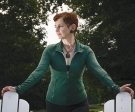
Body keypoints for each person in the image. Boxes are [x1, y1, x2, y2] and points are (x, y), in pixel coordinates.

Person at [1, 12, 134, 112]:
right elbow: (38, 72)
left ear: (72, 27)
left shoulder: (86, 51)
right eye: (55, 26)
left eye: (60, 26)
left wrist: (116, 88)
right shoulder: (50, 51)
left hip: (79, 103)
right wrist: (18, 89)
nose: (56, 30)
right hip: (54, 103)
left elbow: (99, 71)